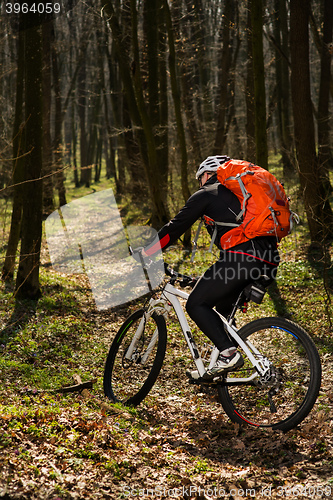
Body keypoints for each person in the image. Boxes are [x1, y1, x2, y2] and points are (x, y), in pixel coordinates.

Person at [139, 156, 279, 380]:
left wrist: (148, 251)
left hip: (243, 258)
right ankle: (219, 371)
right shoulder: (239, 197)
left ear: (207, 174)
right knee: (223, 315)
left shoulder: (207, 193)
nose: (199, 183)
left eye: (200, 178)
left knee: (196, 303)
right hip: (267, 261)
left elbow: (175, 227)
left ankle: (228, 354)